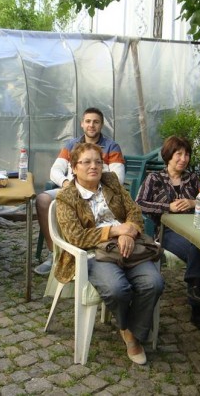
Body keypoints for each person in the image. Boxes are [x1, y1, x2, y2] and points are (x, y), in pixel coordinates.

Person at [55, 142, 164, 365]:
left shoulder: (111, 181)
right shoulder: (66, 197)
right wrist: (115, 230)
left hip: (128, 246)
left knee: (154, 283)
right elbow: (76, 237)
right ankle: (129, 333)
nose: (93, 166)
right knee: (117, 289)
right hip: (93, 252)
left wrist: (129, 233)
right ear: (74, 168)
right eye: (86, 162)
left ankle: (132, 330)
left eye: (98, 162)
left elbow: (134, 211)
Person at [136, 136, 200, 335]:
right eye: (178, 154)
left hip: (196, 229)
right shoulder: (154, 179)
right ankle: (197, 309)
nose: (183, 158)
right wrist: (167, 207)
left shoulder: (193, 178)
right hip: (168, 231)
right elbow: (138, 204)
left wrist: (193, 202)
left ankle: (194, 289)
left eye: (186, 154)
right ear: (168, 156)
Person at [34, 107, 125, 275]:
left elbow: (117, 178)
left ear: (101, 125)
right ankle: (54, 253)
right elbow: (55, 170)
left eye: (96, 122)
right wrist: (66, 183)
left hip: (97, 193)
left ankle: (88, 253)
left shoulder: (111, 146)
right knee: (42, 200)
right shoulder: (71, 145)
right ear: (82, 124)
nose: (91, 125)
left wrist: (91, 184)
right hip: (71, 189)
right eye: (88, 121)